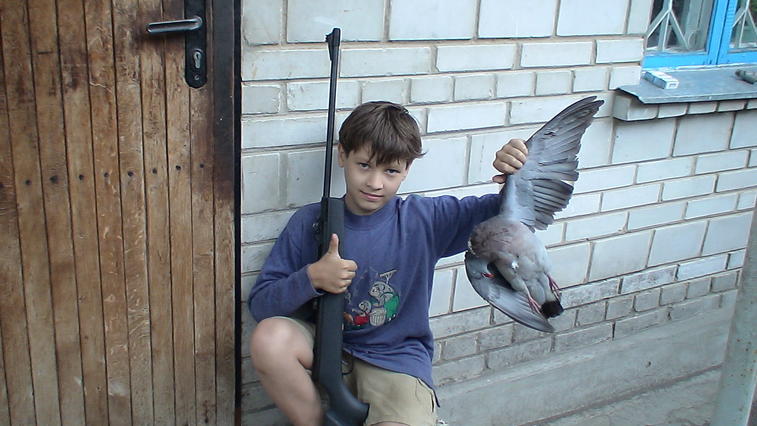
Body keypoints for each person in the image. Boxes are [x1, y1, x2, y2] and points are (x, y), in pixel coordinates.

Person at [248, 101, 528, 426]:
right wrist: (312, 277)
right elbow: (261, 305)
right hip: (325, 347)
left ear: (407, 169)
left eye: (390, 171)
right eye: (364, 165)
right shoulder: (311, 221)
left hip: (396, 360)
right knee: (270, 339)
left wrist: (516, 176)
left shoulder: (424, 220)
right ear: (343, 155)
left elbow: (508, 213)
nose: (375, 182)